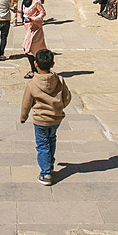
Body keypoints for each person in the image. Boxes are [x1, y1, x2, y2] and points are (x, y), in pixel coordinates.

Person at [20, 48, 72, 186]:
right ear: (52, 64)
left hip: (40, 120)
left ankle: (45, 172)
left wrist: (23, 116)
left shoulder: (32, 84)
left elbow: (26, 103)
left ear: (35, 64)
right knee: (52, 139)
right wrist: (59, 107)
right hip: (56, 118)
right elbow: (67, 97)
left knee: (42, 144)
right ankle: (50, 162)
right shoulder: (60, 80)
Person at [21, 0, 47, 79]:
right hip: (29, 28)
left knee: (27, 47)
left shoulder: (36, 0)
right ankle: (39, 68)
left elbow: (43, 12)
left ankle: (34, 70)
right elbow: (26, 13)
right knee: (35, 49)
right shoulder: (25, 0)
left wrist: (34, 19)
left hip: (35, 28)